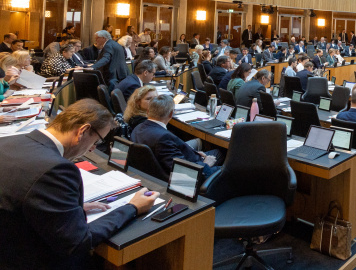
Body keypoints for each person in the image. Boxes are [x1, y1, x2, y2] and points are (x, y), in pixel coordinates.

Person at [0, 99, 159, 269]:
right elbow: (79, 241)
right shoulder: (56, 169)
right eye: (96, 142)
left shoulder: (8, 142)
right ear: (83, 131)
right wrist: (133, 207)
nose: (92, 149)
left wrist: (71, 208)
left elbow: (21, 197)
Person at [132, 95, 224, 178]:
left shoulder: (137, 128)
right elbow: (181, 172)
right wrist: (205, 164)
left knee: (219, 152)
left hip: (184, 161)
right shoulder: (163, 138)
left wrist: (194, 152)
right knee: (228, 168)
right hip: (195, 175)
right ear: (171, 114)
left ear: (148, 112)